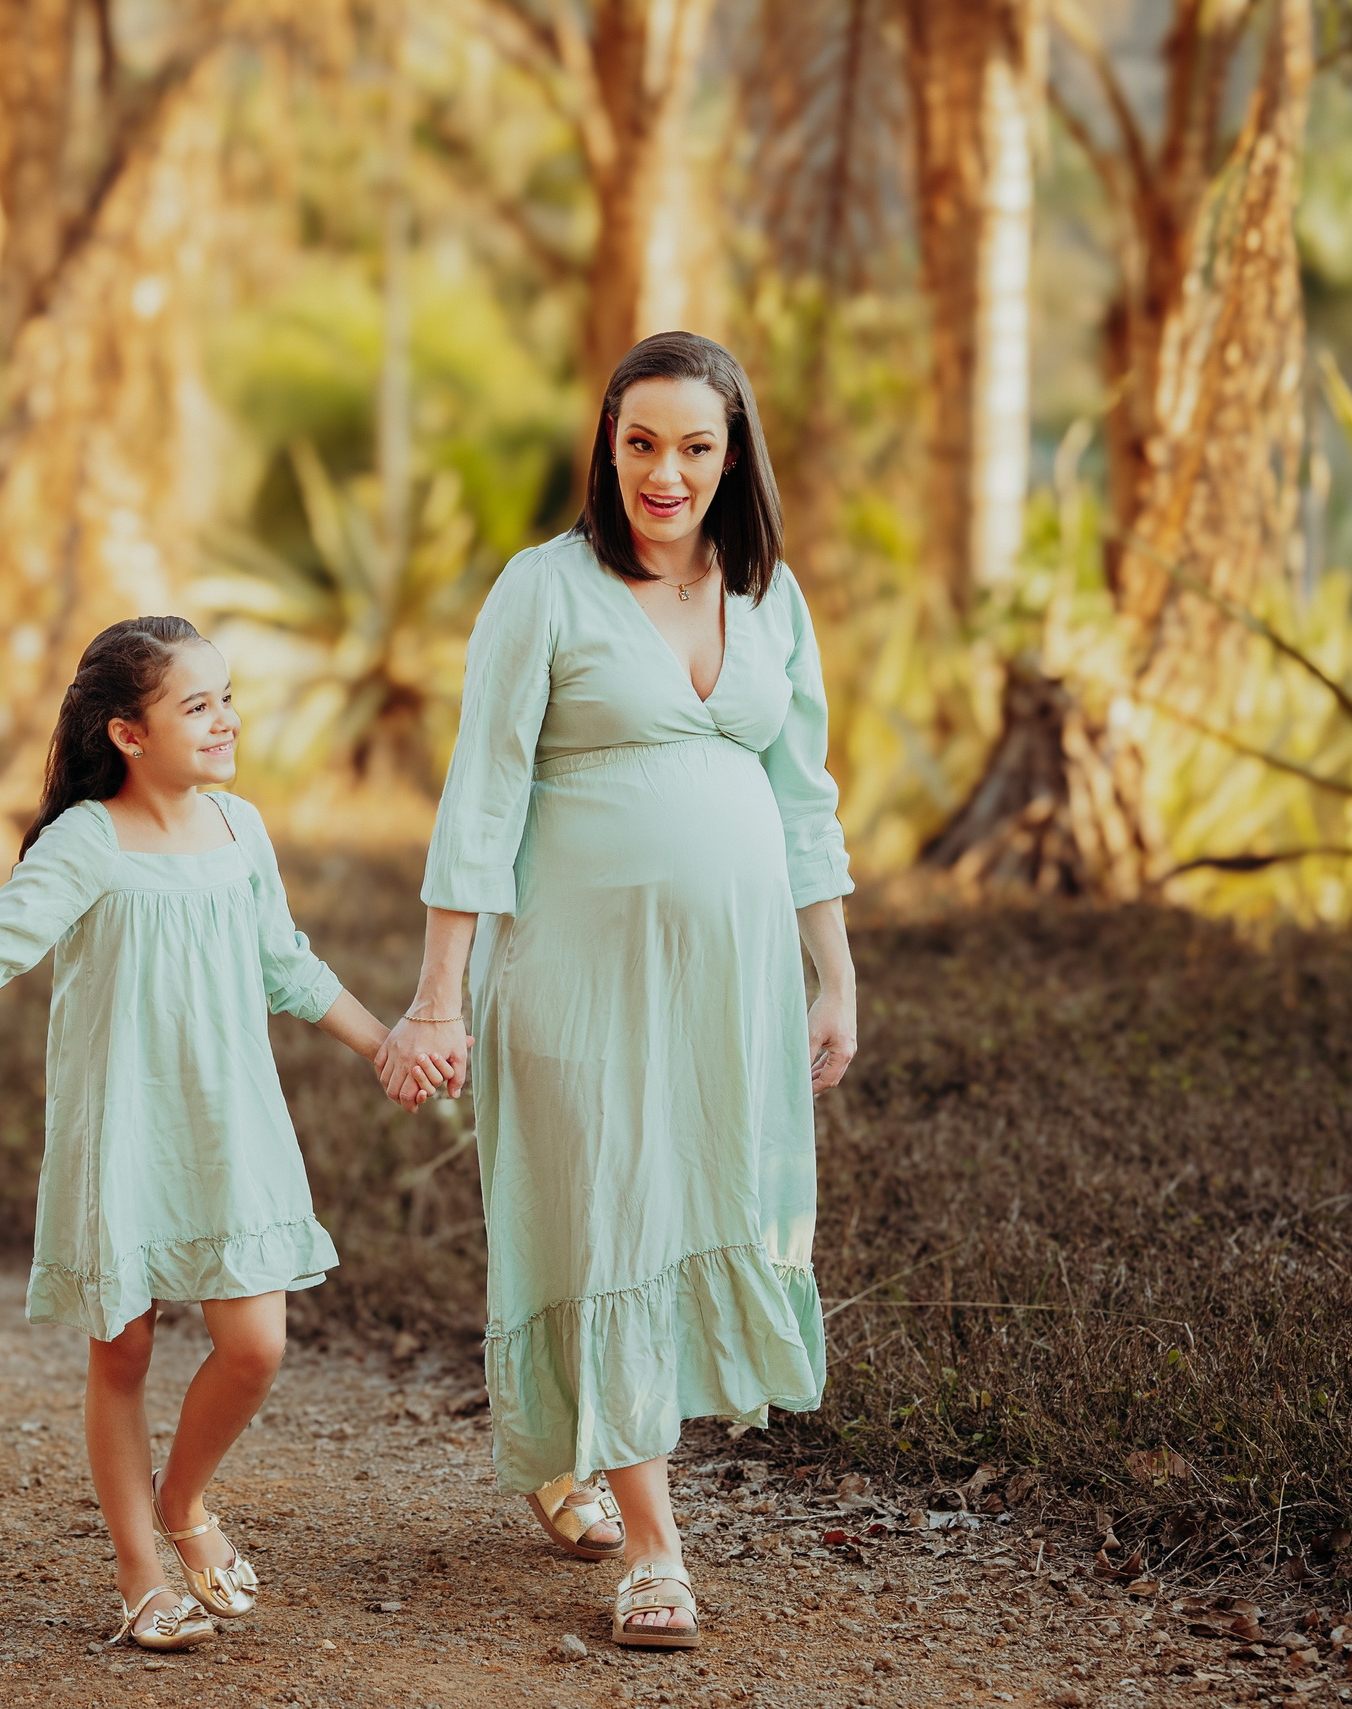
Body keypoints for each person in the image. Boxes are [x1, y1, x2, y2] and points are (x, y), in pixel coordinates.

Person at [374, 331, 858, 1651]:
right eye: (640, 442)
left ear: (733, 454)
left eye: (695, 445)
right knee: (614, 1223)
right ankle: (654, 1549)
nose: (664, 471)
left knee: (692, 1206)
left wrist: (835, 975)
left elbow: (803, 795)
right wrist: (437, 998)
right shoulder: (548, 590)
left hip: (729, 990)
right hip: (577, 984)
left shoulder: (769, 595)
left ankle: (569, 1452)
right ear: (606, 444)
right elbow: (479, 799)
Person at [0, 618, 426, 1651]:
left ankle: (182, 1498)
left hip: (227, 1126)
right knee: (125, 1348)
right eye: (197, 704)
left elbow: (285, 961)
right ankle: (141, 1572)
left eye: (226, 696)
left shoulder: (241, 829)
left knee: (254, 1345)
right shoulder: (86, 842)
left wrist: (384, 1044)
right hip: (124, 1133)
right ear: (129, 732)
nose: (225, 717)